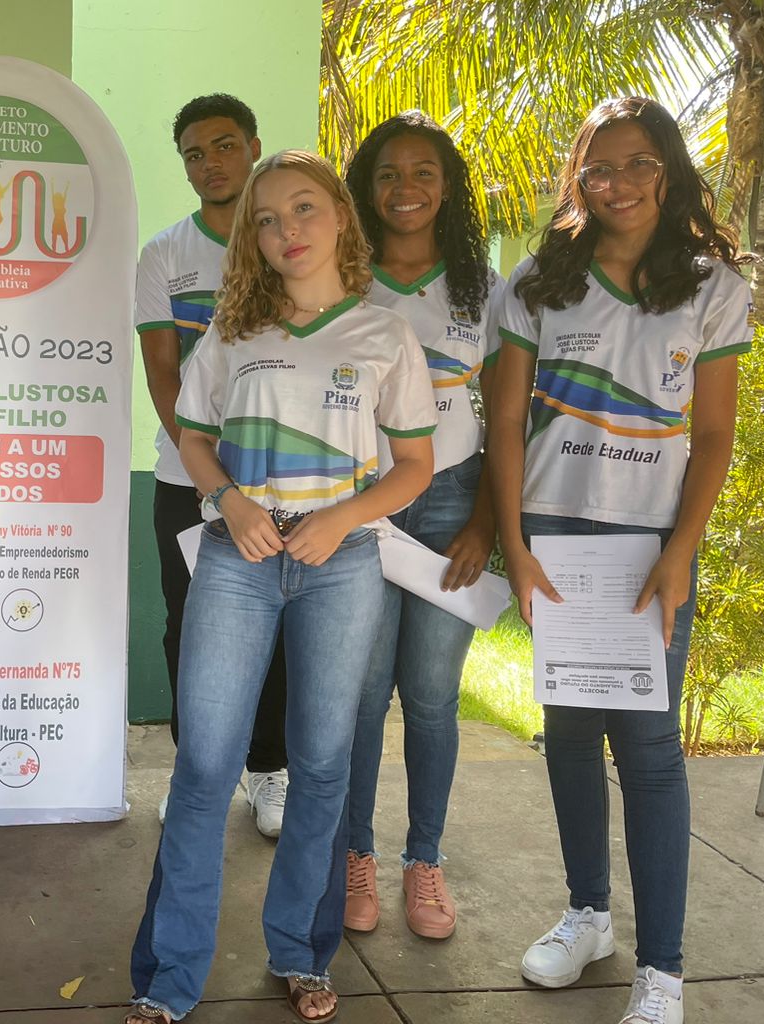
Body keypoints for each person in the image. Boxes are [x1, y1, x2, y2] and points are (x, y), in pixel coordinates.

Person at [128, 151, 437, 1024]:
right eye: (267, 219)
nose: (285, 230)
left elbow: (415, 464)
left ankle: (301, 953)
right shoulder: (232, 332)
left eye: (303, 208)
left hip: (341, 568)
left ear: (340, 215)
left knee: (322, 765)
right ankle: (168, 977)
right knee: (205, 766)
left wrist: (343, 521)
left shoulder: (384, 334)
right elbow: (192, 439)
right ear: (253, 241)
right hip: (239, 560)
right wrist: (226, 498)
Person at [489, 97, 751, 1024]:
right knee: (567, 732)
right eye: (597, 171)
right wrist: (515, 546)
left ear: (667, 171)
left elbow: (713, 434)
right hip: (556, 539)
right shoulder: (537, 282)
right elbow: (507, 422)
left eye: (636, 165)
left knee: (647, 747)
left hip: (651, 547)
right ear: (578, 181)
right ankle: (588, 914)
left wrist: (682, 550)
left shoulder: (714, 285)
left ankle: (664, 968)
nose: (616, 186)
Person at [341, 112, 505, 939]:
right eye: (388, 174)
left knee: (433, 697)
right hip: (362, 503)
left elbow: (507, 415)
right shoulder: (342, 275)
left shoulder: (484, 286)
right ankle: (355, 855)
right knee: (363, 693)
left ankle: (424, 860)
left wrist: (486, 523)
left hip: (450, 504)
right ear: (365, 190)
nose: (406, 189)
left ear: (448, 187)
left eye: (424, 172)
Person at [135, 93, 290, 834]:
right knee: (189, 626)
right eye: (193, 154)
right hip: (185, 478)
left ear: (253, 146)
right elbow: (163, 373)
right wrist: (207, 465)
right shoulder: (164, 254)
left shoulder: (290, 245)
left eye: (223, 146)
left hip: (285, 478)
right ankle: (200, 768)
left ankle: (269, 770)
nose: (209, 163)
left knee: (277, 625)